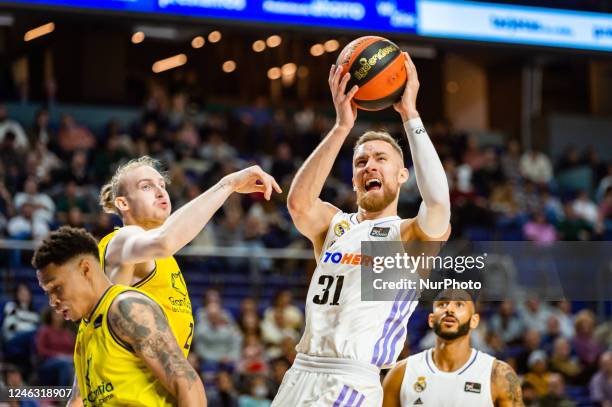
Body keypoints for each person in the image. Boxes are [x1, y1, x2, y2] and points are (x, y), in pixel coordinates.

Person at [274, 53, 451, 406]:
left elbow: (438, 204)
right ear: (354, 178)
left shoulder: (409, 236)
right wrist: (341, 127)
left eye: (381, 159)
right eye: (361, 162)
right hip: (299, 373)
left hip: (350, 379)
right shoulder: (333, 225)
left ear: (403, 176)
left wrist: (411, 115)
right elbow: (298, 204)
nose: (369, 165)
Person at [98, 156, 280, 356]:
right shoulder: (122, 239)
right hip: (126, 384)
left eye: (162, 185)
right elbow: (164, 241)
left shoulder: (165, 259)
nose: (160, 192)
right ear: (123, 203)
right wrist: (229, 184)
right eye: (146, 187)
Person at [31, 226, 206, 406]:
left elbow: (188, 385)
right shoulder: (86, 331)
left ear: (85, 269)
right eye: (47, 293)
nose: (53, 301)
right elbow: (77, 401)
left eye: (57, 288)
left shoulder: (125, 308)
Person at [382, 290, 523, 406]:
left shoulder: (498, 375)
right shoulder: (401, 373)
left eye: (459, 305)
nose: (449, 309)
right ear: (431, 320)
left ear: (474, 321)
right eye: (442, 304)